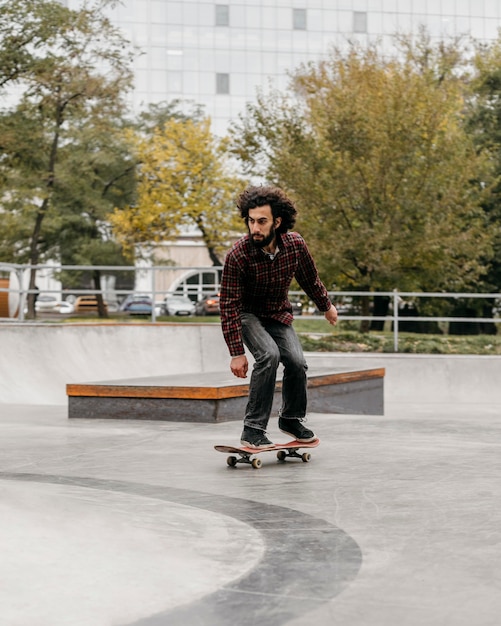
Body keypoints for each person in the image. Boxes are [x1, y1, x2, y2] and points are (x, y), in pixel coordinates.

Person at [220, 185, 338, 449]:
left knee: (297, 362)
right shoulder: (238, 255)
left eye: (262, 221)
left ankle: (291, 419)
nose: (255, 229)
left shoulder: (295, 245)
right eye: (250, 221)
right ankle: (252, 430)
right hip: (247, 314)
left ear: (278, 221)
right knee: (269, 356)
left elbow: (309, 278)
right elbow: (228, 305)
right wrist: (236, 352)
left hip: (277, 313)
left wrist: (326, 306)